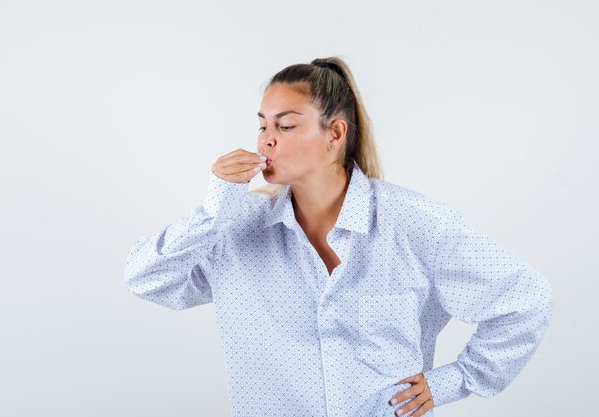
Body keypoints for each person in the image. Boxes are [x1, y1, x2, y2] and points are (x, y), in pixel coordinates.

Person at [123, 57, 554, 417]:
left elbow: (525, 298)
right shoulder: (234, 230)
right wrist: (215, 210)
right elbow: (145, 278)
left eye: (286, 126)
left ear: (335, 134)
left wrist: (454, 381)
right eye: (261, 126)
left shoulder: (414, 223)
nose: (267, 140)